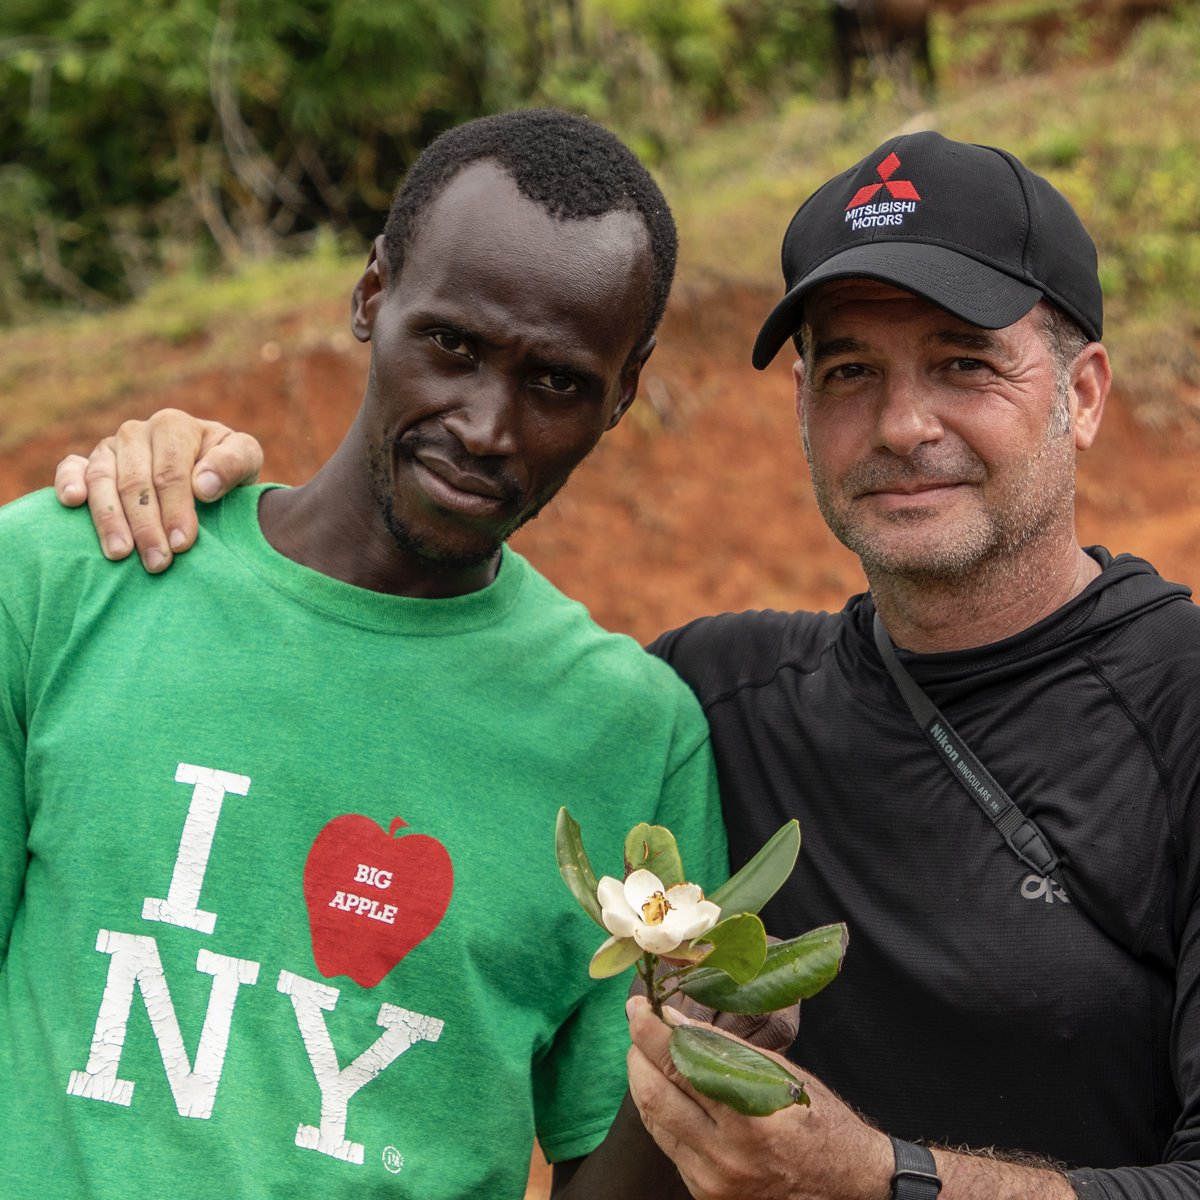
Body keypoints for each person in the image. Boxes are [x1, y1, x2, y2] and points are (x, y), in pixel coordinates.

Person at [53, 130, 1200, 1199]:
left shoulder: (1182, 703)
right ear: (802, 407)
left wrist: (877, 1176)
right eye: (851, 373)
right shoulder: (706, 701)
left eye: (964, 365)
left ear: (1085, 394)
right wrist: (184, 480)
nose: (904, 424)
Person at [0, 108, 730, 1200]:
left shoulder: (633, 735)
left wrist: (704, 1057)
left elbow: (611, 1166)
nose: (488, 425)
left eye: (558, 382)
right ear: (372, 295)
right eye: (453, 344)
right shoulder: (67, 576)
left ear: (624, 390)